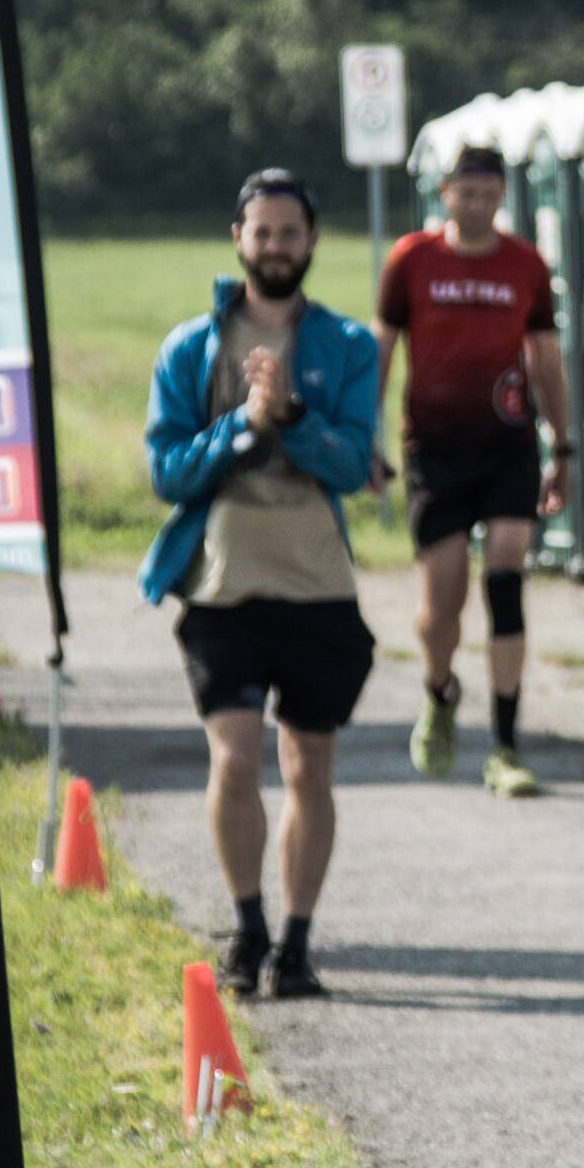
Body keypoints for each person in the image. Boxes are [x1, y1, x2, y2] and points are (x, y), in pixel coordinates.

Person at [145, 169, 385, 1000]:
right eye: (262, 231)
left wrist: (288, 418)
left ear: (312, 242)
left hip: (317, 586)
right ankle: (246, 926)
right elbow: (168, 473)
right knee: (236, 758)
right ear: (237, 238)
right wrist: (239, 427)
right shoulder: (190, 348)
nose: (276, 246)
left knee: (309, 765)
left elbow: (356, 463)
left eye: (290, 232)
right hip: (222, 588)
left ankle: (297, 941)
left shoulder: (350, 347)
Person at [372, 140, 574, 796]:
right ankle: (439, 689)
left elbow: (545, 357)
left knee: (506, 578)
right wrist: (364, 437)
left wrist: (563, 445)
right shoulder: (412, 260)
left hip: (506, 441)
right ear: (446, 194)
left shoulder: (525, 265)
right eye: (467, 191)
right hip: (433, 448)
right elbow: (382, 346)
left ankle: (507, 744)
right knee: (442, 607)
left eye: (489, 193)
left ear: (502, 197)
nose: (478, 203)